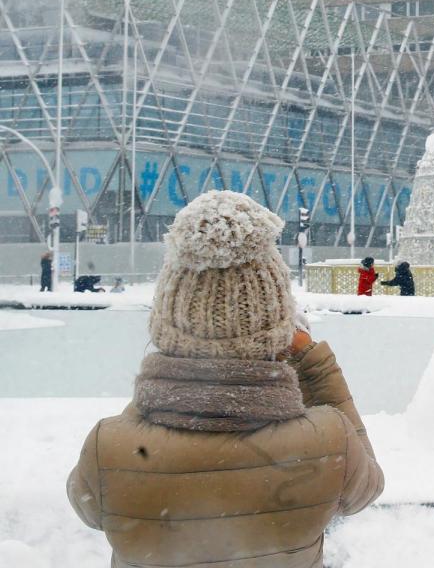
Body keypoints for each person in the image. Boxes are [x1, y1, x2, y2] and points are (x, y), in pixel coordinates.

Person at [67, 191, 383, 568]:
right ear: (281, 331)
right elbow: (367, 487)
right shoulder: (329, 440)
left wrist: (169, 373)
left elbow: (89, 511)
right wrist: (313, 362)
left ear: (168, 325)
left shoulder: (109, 448)